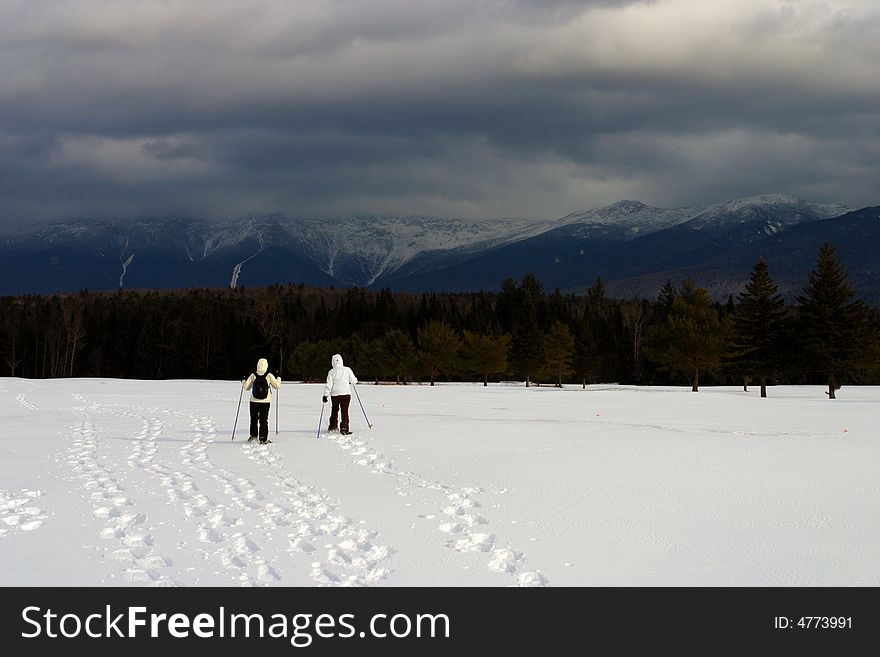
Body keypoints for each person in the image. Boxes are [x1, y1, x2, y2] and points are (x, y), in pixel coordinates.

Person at [242, 358, 281, 444]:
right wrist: (278, 378)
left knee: (253, 418)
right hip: (265, 401)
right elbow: (277, 386)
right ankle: (263, 438)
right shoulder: (269, 375)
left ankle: (253, 435)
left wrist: (243, 380)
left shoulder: (253, 375)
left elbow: (246, 387)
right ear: (266, 365)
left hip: (253, 401)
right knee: (264, 420)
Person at [323, 353, 358, 435]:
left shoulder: (331, 372)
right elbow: (354, 381)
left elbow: (329, 385)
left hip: (334, 395)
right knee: (344, 411)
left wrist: (325, 395)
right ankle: (344, 428)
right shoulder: (347, 369)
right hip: (346, 394)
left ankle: (333, 426)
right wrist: (353, 381)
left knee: (335, 409)